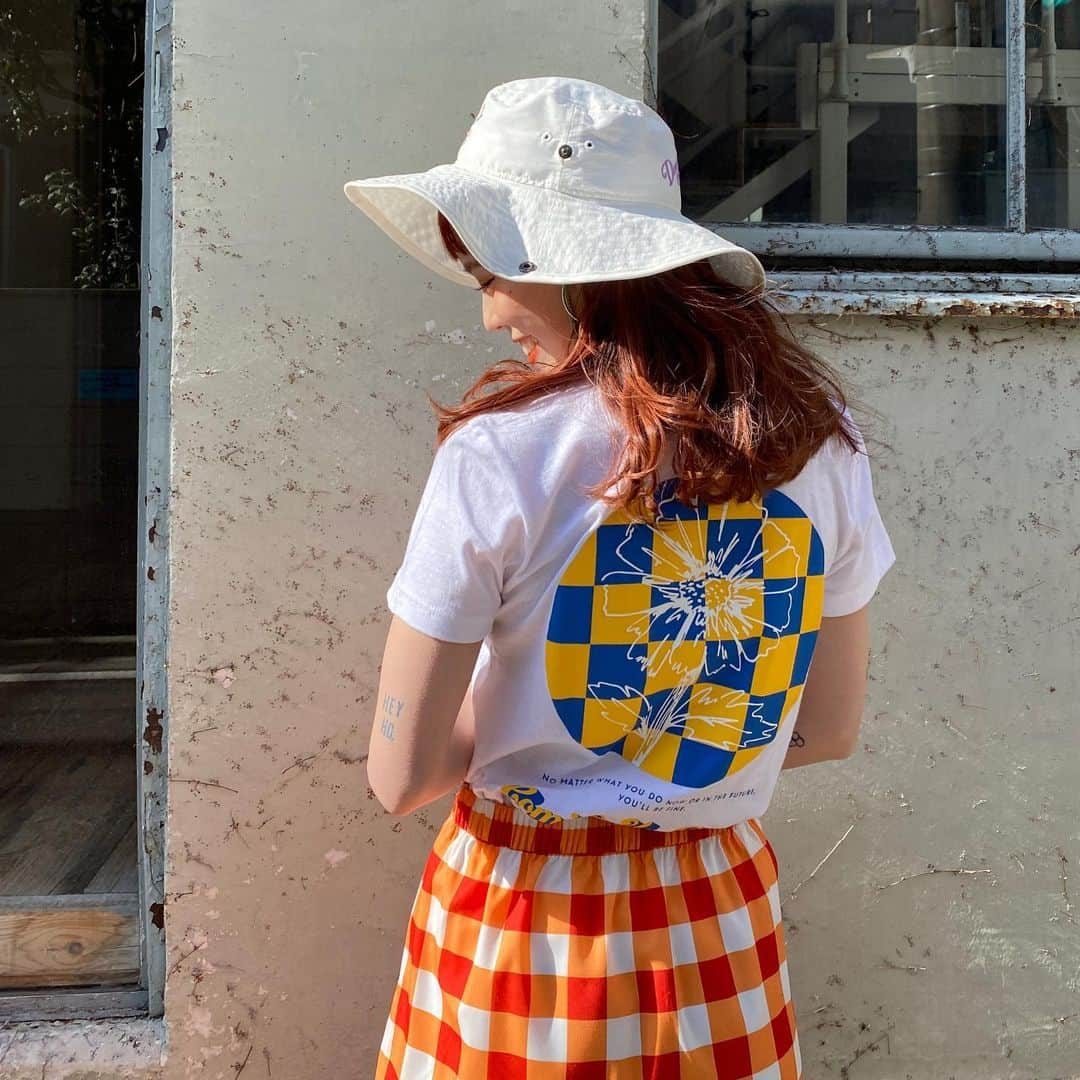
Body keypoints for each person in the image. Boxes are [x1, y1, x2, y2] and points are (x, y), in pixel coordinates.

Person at [343, 75, 895, 1080]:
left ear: (563, 268)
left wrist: (534, 730)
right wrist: (662, 741)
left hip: (526, 916)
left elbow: (401, 775)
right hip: (716, 911)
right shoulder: (823, 447)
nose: (489, 316)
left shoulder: (498, 454)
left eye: (488, 278)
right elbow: (825, 728)